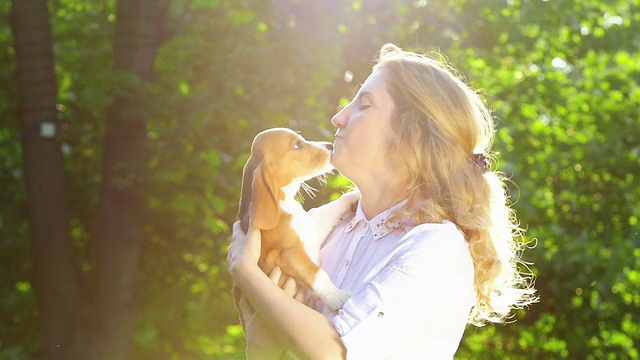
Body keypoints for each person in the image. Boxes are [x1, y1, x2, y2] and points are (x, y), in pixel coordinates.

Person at [227, 43, 537, 359]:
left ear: (411, 135)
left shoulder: (436, 247)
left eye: (364, 104)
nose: (338, 117)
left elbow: (336, 353)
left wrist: (246, 273)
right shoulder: (330, 227)